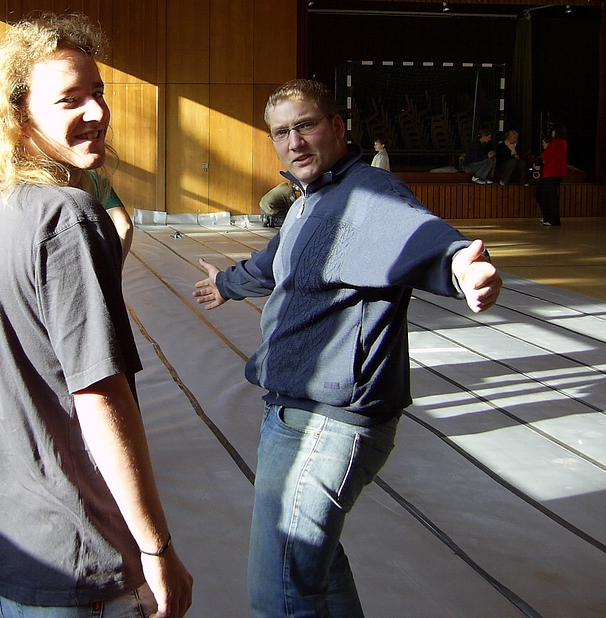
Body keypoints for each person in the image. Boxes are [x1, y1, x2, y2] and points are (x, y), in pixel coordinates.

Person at [191, 79, 501, 618]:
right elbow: (272, 263)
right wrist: (225, 283)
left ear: (336, 126)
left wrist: (462, 267)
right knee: (317, 573)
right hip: (298, 413)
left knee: (279, 597)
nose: (294, 142)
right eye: (281, 132)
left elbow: (421, 236)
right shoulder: (310, 202)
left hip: (325, 424)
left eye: (305, 125)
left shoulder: (368, 193)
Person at [0, 13, 193, 618]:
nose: (98, 112)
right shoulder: (68, 217)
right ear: (17, 116)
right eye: (69, 99)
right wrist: (155, 547)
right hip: (74, 556)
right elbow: (100, 396)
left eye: (99, 93)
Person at [86, 169, 134, 263]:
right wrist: (116, 266)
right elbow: (124, 225)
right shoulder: (96, 180)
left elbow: (124, 225)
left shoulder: (97, 181)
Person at [537, 123, 568, 226]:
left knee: (547, 196)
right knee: (550, 196)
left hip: (551, 173)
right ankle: (549, 218)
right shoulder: (563, 142)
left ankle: (551, 219)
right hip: (557, 173)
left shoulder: (556, 143)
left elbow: (545, 157)